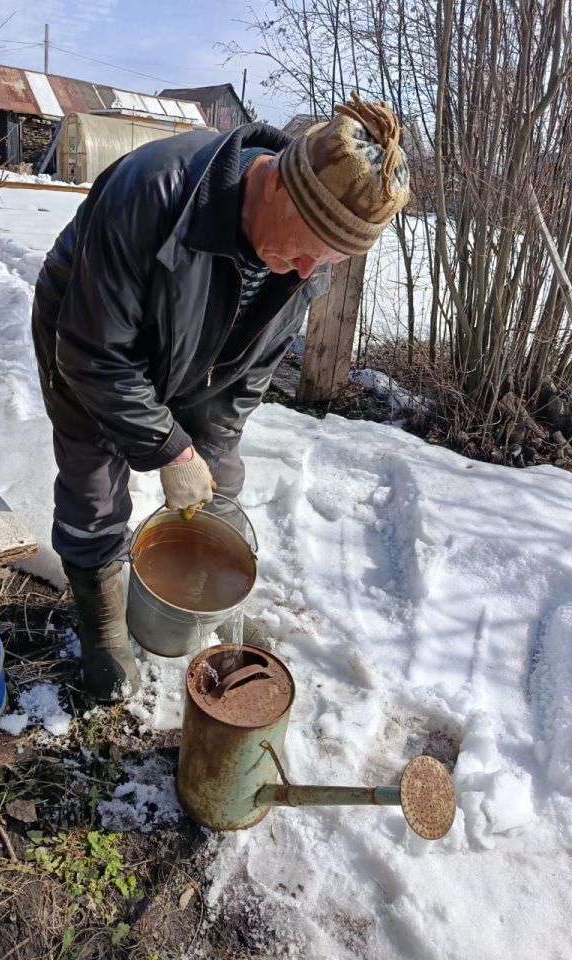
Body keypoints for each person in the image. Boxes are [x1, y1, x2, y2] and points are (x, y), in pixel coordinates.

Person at [31, 92, 410, 701]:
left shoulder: (305, 259)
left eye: (332, 259)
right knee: (93, 474)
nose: (312, 269)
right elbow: (93, 353)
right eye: (311, 244)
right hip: (85, 330)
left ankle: (197, 600)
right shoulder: (153, 191)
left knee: (218, 475)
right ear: (279, 185)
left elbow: (248, 373)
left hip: (200, 348)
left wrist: (205, 450)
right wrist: (168, 449)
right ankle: (103, 624)